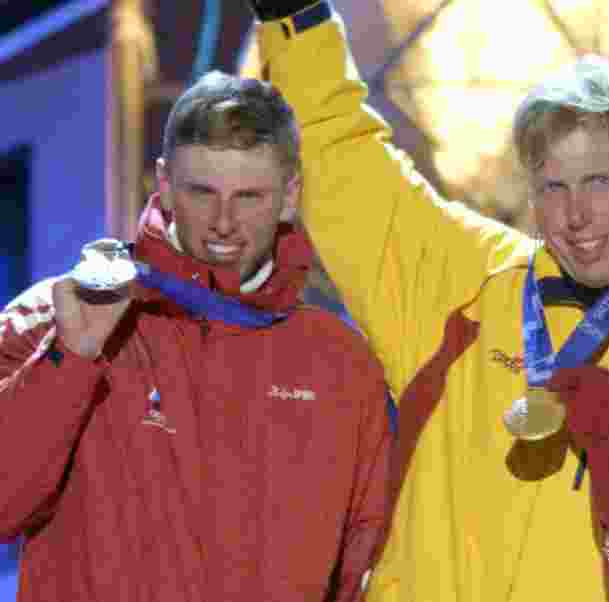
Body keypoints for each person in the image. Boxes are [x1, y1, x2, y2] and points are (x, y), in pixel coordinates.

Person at [245, 2, 609, 600]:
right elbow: (341, 155)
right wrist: (296, 18)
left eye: (599, 181)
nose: (577, 215)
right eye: (554, 187)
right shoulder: (464, 278)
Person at [0, 72, 392, 602]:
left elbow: (369, 567)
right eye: (201, 192)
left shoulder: (340, 363)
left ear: (289, 195)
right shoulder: (58, 314)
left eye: (250, 196)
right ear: (163, 183)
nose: (224, 222)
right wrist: (70, 358)